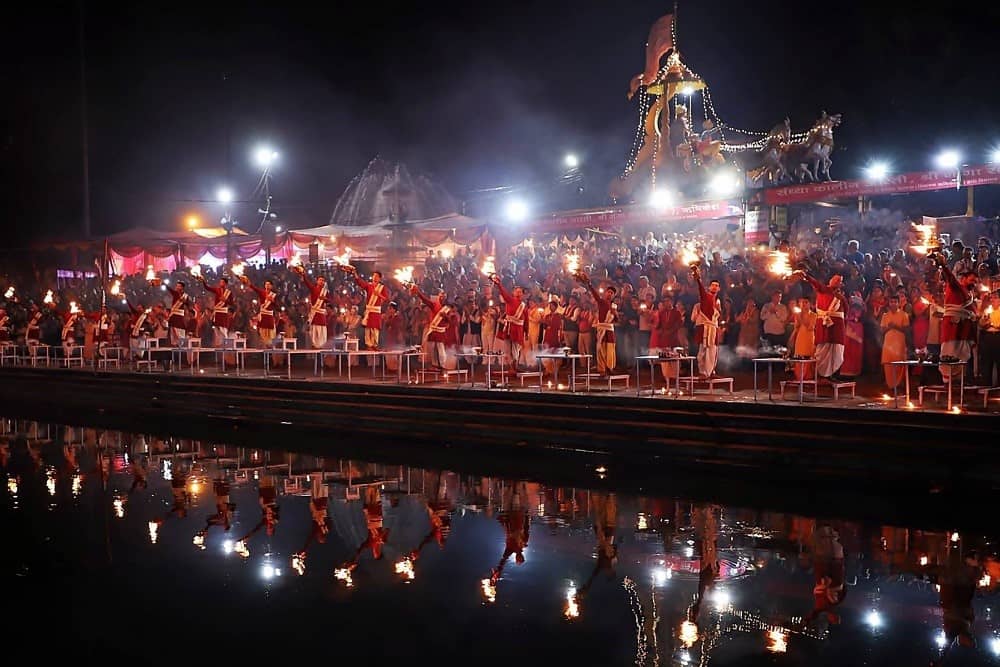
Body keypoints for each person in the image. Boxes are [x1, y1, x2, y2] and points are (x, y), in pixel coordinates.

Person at [792, 269, 846, 381]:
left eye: (839, 281)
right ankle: (821, 375)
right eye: (836, 279)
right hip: (824, 326)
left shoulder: (841, 295)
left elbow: (847, 310)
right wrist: (806, 276)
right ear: (830, 280)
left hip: (837, 328)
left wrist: (842, 299)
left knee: (836, 351)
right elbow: (815, 284)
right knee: (822, 349)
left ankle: (833, 374)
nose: (837, 282)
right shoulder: (824, 290)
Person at [934, 254, 979, 383]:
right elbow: (950, 277)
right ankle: (947, 387)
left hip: (964, 331)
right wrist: (943, 264)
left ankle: (959, 388)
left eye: (975, 282)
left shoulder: (969, 295)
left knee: (962, 357)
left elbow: (972, 311)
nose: (974, 284)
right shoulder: (955, 287)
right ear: (963, 278)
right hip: (952, 329)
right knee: (949, 356)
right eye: (972, 280)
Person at [574, 271, 617, 375]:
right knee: (600, 349)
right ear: (605, 293)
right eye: (608, 292)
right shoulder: (602, 302)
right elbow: (595, 294)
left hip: (610, 329)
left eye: (612, 293)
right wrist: (589, 284)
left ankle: (609, 367)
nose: (610, 294)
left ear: (614, 295)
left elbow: (616, 320)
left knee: (610, 348)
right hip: (602, 328)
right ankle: (602, 369)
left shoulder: (614, 306)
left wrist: (615, 314)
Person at [490, 274, 527, 372]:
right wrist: (498, 284)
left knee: (516, 349)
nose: (518, 293)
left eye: (520, 292)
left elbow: (526, 320)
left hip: (518, 329)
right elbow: (503, 293)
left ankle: (515, 367)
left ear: (522, 294)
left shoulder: (524, 305)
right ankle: (511, 367)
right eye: (516, 291)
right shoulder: (510, 300)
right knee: (507, 348)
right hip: (509, 328)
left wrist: (526, 332)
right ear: (513, 293)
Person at [347, 266, 389, 350]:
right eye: (374, 276)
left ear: (380, 278)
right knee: (368, 328)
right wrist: (355, 273)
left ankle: (375, 345)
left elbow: (386, 299)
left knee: (375, 328)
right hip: (369, 309)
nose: (374, 277)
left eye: (376, 276)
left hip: (376, 311)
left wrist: (379, 295)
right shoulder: (369, 286)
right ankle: (369, 345)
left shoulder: (382, 288)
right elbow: (360, 282)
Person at [691, 264, 722, 378]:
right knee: (703, 350)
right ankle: (702, 372)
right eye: (712, 285)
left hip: (713, 328)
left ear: (719, 289)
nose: (714, 287)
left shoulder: (717, 301)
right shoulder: (707, 297)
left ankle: (710, 372)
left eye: (716, 286)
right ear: (709, 287)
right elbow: (701, 290)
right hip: (705, 328)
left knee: (712, 351)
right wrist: (698, 278)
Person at [411, 285, 451, 369]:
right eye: (441, 296)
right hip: (433, 330)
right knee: (432, 349)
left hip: (441, 332)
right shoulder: (434, 305)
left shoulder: (447, 309)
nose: (442, 297)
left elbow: (450, 321)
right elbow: (425, 300)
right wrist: (418, 292)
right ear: (438, 297)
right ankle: (434, 365)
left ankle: (442, 365)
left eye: (444, 296)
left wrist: (445, 316)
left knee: (441, 349)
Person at [880, 294, 910, 389]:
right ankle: (890, 385)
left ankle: (899, 384)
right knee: (888, 364)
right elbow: (882, 330)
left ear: (898, 303)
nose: (893, 304)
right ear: (889, 303)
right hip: (888, 343)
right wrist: (889, 327)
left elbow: (906, 330)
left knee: (899, 364)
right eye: (891, 302)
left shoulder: (904, 315)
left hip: (899, 343)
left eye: (895, 302)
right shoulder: (885, 315)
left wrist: (896, 327)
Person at [296, 270, 331, 349]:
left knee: (322, 330)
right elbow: (307, 283)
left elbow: (331, 301)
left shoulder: (325, 292)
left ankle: (321, 345)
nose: (321, 282)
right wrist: (304, 275)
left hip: (321, 314)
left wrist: (325, 298)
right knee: (314, 330)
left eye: (323, 280)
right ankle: (315, 345)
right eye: (320, 280)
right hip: (314, 314)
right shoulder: (313, 289)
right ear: (317, 281)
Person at [195, 274, 234, 342]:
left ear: (225, 284)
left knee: (223, 328)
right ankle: (218, 342)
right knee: (216, 328)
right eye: (220, 282)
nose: (220, 283)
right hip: (217, 312)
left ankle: (227, 342)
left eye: (222, 282)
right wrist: (203, 281)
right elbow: (207, 288)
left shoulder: (229, 293)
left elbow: (232, 303)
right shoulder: (217, 290)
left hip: (223, 313)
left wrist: (225, 300)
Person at [241, 276, 278, 346]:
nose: (267, 285)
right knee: (262, 335)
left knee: (271, 336)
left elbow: (277, 307)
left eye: (269, 284)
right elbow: (254, 288)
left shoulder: (274, 295)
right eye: (266, 284)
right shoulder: (262, 292)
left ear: (271, 286)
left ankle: (271, 348)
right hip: (263, 316)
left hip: (270, 317)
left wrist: (273, 301)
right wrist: (247, 282)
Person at [979, 290, 1000, 386]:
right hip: (987, 338)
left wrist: (993, 325)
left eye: (995, 298)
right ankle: (986, 386)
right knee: (986, 363)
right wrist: (984, 323)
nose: (992, 300)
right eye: (991, 298)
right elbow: (981, 324)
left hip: (998, 338)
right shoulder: (987, 310)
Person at [162, 280, 192, 345]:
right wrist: (163, 283)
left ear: (182, 287)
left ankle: (181, 342)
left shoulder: (185, 296)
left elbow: (189, 305)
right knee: (172, 328)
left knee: (179, 328)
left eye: (179, 286)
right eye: (177, 286)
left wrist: (185, 302)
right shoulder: (175, 293)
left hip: (180, 315)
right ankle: (174, 343)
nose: (177, 287)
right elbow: (169, 289)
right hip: (173, 314)